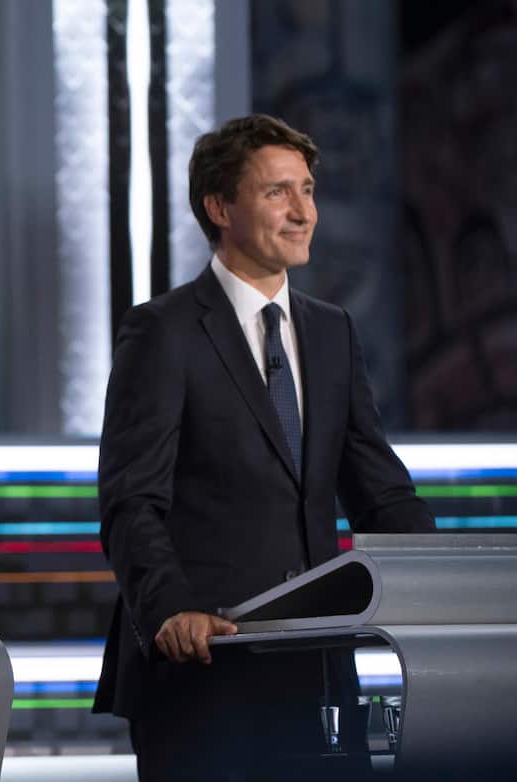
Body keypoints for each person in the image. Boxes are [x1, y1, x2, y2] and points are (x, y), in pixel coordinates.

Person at [94, 114, 435, 780]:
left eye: (307, 190)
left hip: (319, 675)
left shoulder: (332, 331)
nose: (303, 212)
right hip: (204, 673)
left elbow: (381, 492)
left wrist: (455, 585)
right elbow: (131, 501)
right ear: (220, 208)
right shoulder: (162, 332)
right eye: (278, 192)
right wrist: (171, 610)